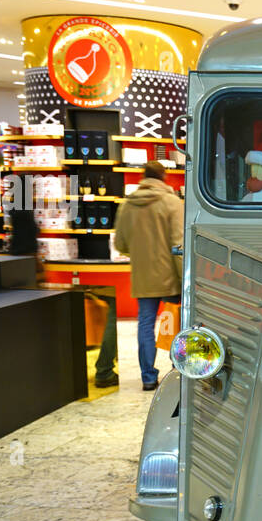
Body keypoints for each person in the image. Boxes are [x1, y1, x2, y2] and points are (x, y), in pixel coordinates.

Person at [113, 161, 183, 391]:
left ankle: (148, 377)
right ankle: (178, 370)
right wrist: (186, 277)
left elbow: (120, 243)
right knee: (175, 323)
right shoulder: (173, 203)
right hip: (171, 275)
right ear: (163, 177)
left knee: (145, 324)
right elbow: (178, 244)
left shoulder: (126, 205)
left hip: (143, 275)